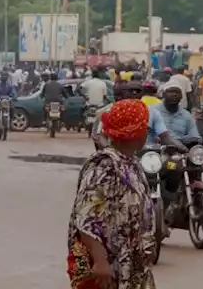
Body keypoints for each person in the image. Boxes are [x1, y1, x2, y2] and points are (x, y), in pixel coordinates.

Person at [67, 99, 155, 289]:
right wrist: (100, 262)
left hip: (130, 265)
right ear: (133, 132)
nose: (147, 132)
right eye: (144, 127)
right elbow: (87, 217)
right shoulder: (105, 166)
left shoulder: (130, 163)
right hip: (108, 269)